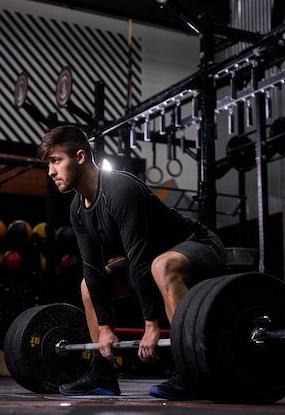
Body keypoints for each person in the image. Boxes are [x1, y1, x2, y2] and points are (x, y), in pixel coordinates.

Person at [36, 125, 227, 400]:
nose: (51, 172)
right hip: (152, 261)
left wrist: (152, 326)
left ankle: (192, 372)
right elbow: (92, 269)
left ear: (79, 157)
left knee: (160, 265)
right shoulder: (78, 209)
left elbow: (139, 260)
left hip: (199, 246)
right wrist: (104, 330)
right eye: (49, 164)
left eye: (56, 161)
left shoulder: (120, 188)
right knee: (89, 285)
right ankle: (102, 373)